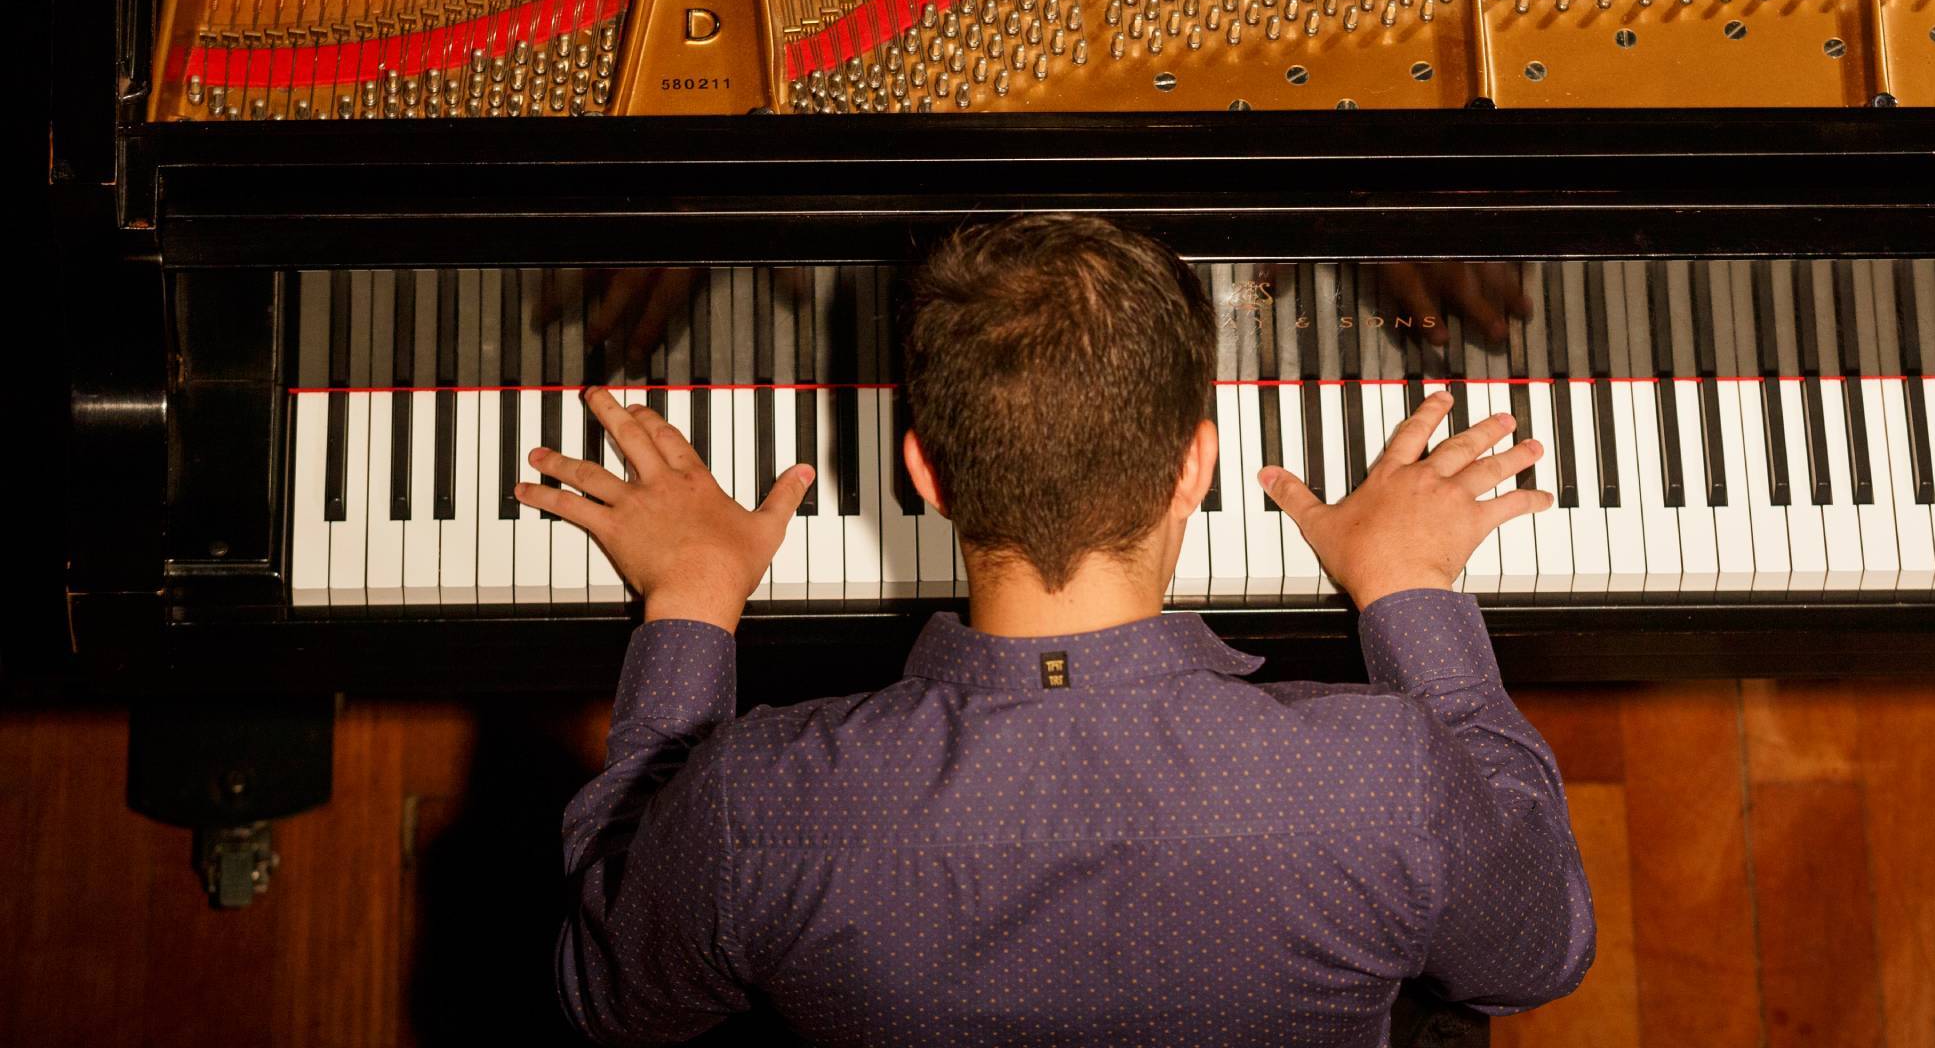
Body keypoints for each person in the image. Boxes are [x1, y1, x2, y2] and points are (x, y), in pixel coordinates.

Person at [526, 215, 1596, 1046]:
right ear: (1197, 465)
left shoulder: (749, 804)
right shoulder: (1387, 780)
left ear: (924, 475)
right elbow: (1537, 952)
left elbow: (610, 996)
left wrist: (691, 603)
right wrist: (1412, 590)